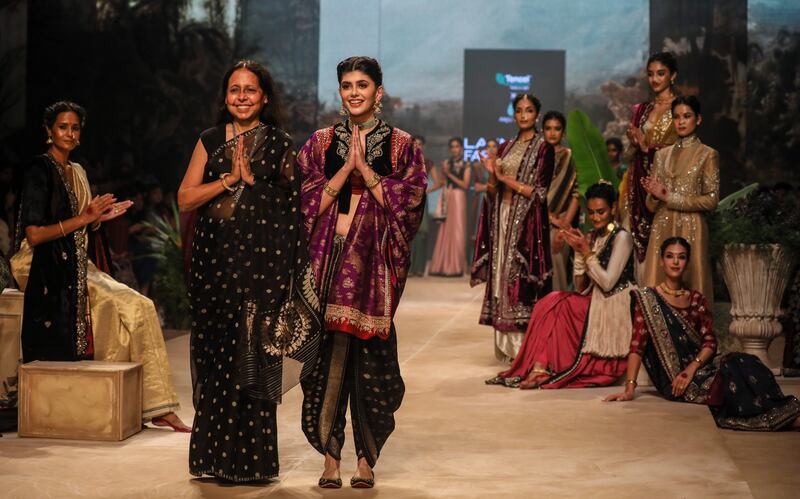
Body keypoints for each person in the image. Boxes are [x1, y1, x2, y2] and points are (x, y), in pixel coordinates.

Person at [179, 60, 321, 482]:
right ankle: (211, 459)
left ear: (265, 97)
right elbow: (186, 198)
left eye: (250, 90)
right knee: (216, 356)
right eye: (234, 90)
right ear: (225, 97)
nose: (241, 97)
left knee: (251, 361)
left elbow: (292, 211)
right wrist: (228, 181)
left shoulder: (279, 144)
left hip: (260, 272)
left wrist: (254, 185)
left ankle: (252, 464)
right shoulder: (209, 140)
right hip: (214, 268)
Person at [11, 101, 187, 430]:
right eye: (63, 127)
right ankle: (121, 405)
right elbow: (34, 235)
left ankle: (152, 404)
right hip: (42, 264)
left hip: (77, 263)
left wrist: (99, 219)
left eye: (75, 128)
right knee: (119, 306)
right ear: (49, 131)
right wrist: (86, 218)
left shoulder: (77, 171)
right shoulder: (39, 170)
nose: (69, 133)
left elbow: (81, 224)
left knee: (140, 306)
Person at [296, 56, 426, 489]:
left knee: (369, 364)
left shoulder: (402, 145)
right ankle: (331, 458)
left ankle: (366, 459)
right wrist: (345, 170)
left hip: (372, 273)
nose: (354, 92)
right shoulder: (318, 143)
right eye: (347, 85)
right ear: (340, 92)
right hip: (326, 266)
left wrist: (366, 170)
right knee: (324, 365)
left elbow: (410, 202)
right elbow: (301, 200)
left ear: (379, 92)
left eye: (363, 85)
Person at [605, 237, 800, 431]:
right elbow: (637, 346)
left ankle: (783, 410)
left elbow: (709, 342)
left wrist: (690, 370)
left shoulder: (696, 298)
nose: (675, 262)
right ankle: (781, 418)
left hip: (698, 367)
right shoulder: (647, 299)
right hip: (675, 381)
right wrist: (629, 388)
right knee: (729, 375)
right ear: (661, 261)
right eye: (670, 256)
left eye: (681, 257)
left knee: (746, 361)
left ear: (687, 262)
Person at [487, 182, 635, 389]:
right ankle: (538, 367)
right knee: (548, 301)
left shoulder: (622, 237)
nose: (595, 218)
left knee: (560, 304)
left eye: (601, 212)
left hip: (614, 304)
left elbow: (609, 283)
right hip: (594, 299)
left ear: (613, 209)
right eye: (591, 213)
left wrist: (586, 252)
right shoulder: (593, 236)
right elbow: (580, 285)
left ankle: (540, 368)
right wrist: (578, 253)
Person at [472, 93, 555, 362]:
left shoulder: (544, 148)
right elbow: (494, 190)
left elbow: (540, 193)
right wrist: (491, 175)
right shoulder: (506, 146)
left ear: (537, 115)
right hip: (502, 217)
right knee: (500, 277)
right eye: (518, 110)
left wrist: (504, 178)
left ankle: (523, 350)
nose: (523, 115)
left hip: (526, 224)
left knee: (517, 279)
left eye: (528, 110)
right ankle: (507, 350)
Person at [641, 96, 719, 304]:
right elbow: (650, 205)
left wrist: (669, 197)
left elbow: (711, 200)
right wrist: (654, 195)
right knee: (656, 290)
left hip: (692, 227)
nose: (681, 122)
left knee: (693, 288)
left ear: (698, 119)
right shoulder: (661, 155)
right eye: (676, 117)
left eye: (687, 116)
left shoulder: (707, 154)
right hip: (662, 225)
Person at [620, 52, 679, 277]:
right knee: (628, 249)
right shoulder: (641, 110)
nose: (654, 79)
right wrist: (635, 144)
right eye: (650, 74)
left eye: (660, 74)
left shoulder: (680, 110)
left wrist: (649, 149)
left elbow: (681, 152)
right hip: (636, 187)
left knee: (660, 249)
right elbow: (628, 156)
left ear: (673, 76)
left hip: (663, 188)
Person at [542, 111, 579, 291]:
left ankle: (558, 316)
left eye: (557, 129)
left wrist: (564, 226)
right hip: (537, 221)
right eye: (548, 128)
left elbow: (577, 194)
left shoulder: (571, 158)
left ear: (563, 133)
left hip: (560, 222)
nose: (552, 133)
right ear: (542, 131)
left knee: (557, 274)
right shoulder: (536, 158)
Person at [429, 137, 470, 276]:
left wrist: (449, 174)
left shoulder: (466, 165)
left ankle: (456, 267)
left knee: (458, 230)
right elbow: (441, 182)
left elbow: (465, 184)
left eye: (457, 146)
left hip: (459, 197)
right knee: (445, 231)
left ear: (461, 148)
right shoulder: (446, 163)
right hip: (448, 196)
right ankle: (442, 266)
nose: (454, 149)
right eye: (452, 147)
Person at [408, 135, 439, 276]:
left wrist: (424, 191)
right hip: (407, 202)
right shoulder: (406, 162)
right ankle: (408, 268)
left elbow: (440, 182)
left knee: (421, 234)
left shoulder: (428, 163)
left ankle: (419, 269)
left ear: (423, 146)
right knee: (408, 234)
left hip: (421, 202)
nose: (417, 146)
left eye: (420, 144)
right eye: (415, 144)